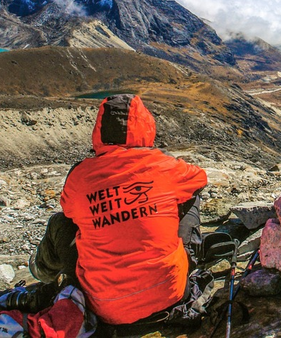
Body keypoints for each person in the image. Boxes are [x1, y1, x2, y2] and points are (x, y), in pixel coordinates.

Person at [30, 93, 208, 327]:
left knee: (60, 222)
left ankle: (44, 273)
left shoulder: (81, 175)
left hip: (103, 307)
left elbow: (70, 212)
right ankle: (187, 263)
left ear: (100, 132)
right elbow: (200, 177)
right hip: (172, 295)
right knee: (190, 194)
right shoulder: (164, 166)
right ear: (146, 127)